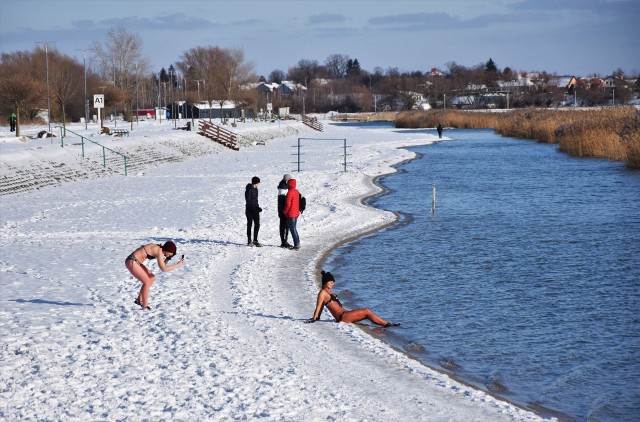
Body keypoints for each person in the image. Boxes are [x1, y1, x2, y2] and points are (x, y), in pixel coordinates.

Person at [306, 270, 399, 327]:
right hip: (342, 317)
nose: (332, 284)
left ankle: (386, 325)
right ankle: (387, 325)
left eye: (333, 282)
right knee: (367, 311)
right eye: (330, 282)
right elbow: (319, 306)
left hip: (345, 314)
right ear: (325, 282)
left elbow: (323, 306)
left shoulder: (330, 292)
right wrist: (315, 318)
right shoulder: (323, 293)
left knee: (367, 314)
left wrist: (317, 317)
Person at [125, 241, 184, 310]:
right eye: (171, 254)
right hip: (132, 261)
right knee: (146, 282)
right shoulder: (158, 251)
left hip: (136, 262)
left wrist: (167, 258)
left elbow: (163, 264)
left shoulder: (159, 249)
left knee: (152, 277)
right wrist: (177, 265)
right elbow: (163, 269)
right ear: (168, 250)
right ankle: (145, 305)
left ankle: (139, 300)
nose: (171, 255)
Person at [282, 177, 300, 250]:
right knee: (294, 229)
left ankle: (296, 245)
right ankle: (297, 243)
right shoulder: (296, 191)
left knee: (293, 230)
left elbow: (288, 205)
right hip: (296, 213)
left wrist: (284, 211)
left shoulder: (290, 193)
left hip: (291, 214)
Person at [245, 176, 262, 247]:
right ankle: (249, 240)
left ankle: (255, 240)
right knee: (250, 224)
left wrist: (258, 207)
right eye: (258, 183)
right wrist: (255, 208)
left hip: (255, 209)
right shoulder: (249, 190)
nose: (259, 184)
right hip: (249, 210)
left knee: (257, 224)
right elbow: (248, 201)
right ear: (255, 183)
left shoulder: (256, 189)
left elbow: (255, 200)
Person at [277, 174, 292, 248]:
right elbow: (283, 201)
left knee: (285, 226)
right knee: (284, 226)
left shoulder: (283, 186)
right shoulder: (283, 187)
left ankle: (284, 241)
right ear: (287, 179)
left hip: (282, 210)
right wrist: (285, 210)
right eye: (290, 179)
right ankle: (283, 242)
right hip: (283, 210)